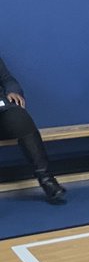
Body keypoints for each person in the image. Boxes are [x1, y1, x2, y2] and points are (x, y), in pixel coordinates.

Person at [0, 54, 65, 203]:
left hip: (2, 109)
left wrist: (12, 91)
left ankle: (47, 180)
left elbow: (7, 79)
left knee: (20, 117)